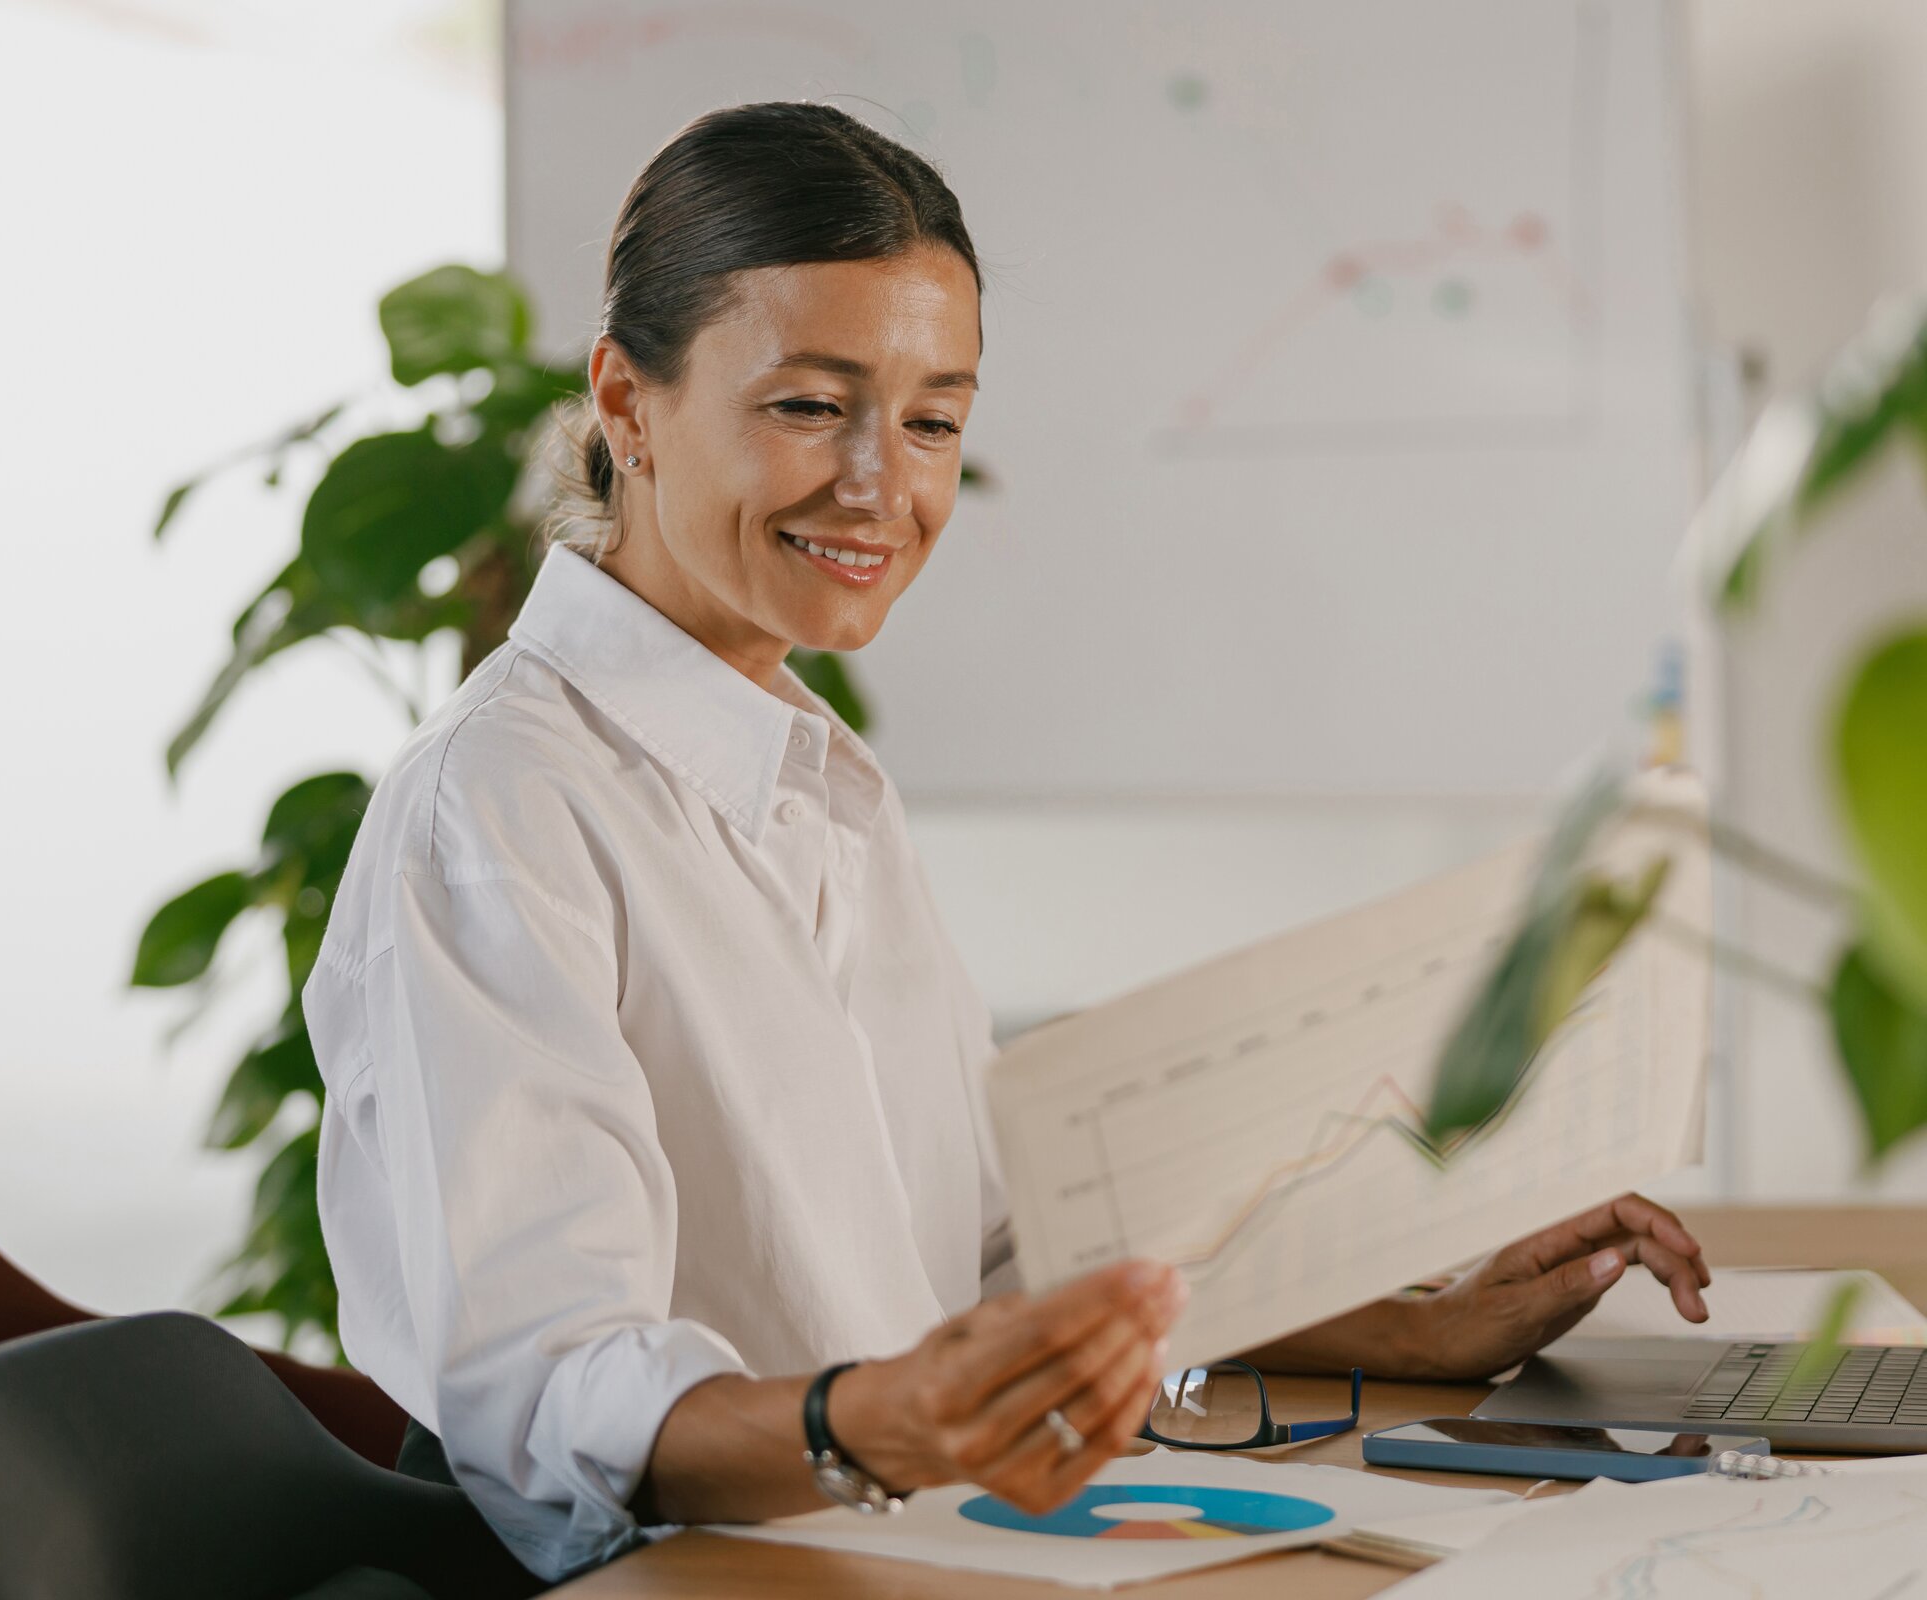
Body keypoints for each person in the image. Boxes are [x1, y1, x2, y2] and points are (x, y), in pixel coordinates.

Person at [301, 100, 1712, 1585]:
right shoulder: (500, 808)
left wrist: (1417, 1317)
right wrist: (881, 1426)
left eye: (931, 421)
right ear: (628, 402)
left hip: (914, 1543)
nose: (880, 486)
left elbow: (996, 1255)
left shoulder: (822, 782)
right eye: (806, 405)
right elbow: (552, 1392)